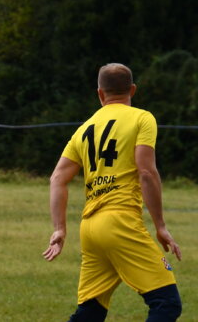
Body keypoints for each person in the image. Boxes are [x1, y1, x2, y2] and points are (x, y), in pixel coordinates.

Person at [43, 63, 183, 321]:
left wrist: (60, 228)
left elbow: (57, 178)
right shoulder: (142, 118)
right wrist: (160, 225)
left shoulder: (84, 128)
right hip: (120, 222)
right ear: (132, 89)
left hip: (90, 228)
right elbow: (146, 172)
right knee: (166, 304)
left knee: (91, 311)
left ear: (100, 93)